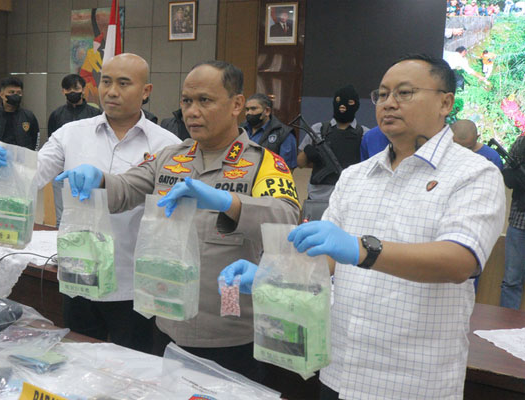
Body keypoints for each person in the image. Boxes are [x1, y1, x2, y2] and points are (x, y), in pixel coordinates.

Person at [221, 54, 505, 400]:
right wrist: (271, 277)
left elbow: (459, 261)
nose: (388, 103)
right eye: (382, 94)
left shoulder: (473, 173)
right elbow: (322, 262)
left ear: (445, 102)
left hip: (413, 381)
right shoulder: (356, 176)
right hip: (340, 371)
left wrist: (361, 249)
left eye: (404, 93)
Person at [54, 60, 301, 381]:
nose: (192, 112)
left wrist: (229, 202)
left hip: (230, 334)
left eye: (205, 101)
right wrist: (97, 178)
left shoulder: (263, 163)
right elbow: (125, 188)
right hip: (168, 324)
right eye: (186, 101)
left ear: (237, 104)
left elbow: (287, 219)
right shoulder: (171, 158)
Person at [0, 54, 181, 353]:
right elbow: (34, 174)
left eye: (123, 83)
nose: (111, 91)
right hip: (79, 274)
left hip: (133, 282)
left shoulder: (166, 145)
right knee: (79, 358)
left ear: (146, 91)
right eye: (106, 82)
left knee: (134, 365)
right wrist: (7, 164)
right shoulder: (71, 134)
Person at [297, 85, 368, 201]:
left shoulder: (364, 134)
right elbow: (300, 163)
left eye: (349, 102)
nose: (343, 106)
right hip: (318, 196)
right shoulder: (318, 129)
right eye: (339, 101)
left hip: (349, 196)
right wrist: (307, 152)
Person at [47, 74, 102, 227]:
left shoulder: (95, 114)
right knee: (62, 216)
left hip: (88, 171)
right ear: (63, 91)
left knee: (89, 214)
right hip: (61, 172)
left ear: (83, 89)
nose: (72, 92)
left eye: (76, 88)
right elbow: (51, 144)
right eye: (68, 89)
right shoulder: (56, 115)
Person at [0, 76, 40, 153]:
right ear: (2, 95)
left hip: (21, 159)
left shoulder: (29, 116)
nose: (15, 95)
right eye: (11, 92)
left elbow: (35, 141)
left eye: (19, 93)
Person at [500, 135, 525, 309]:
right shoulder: (522, 143)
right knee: (511, 280)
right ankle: (506, 323)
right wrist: (517, 178)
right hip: (519, 223)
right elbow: (507, 173)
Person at [241, 93, 297, 170]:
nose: (249, 113)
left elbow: (287, 168)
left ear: (267, 111)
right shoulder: (240, 130)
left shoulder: (284, 133)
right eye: (247, 109)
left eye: (253, 109)